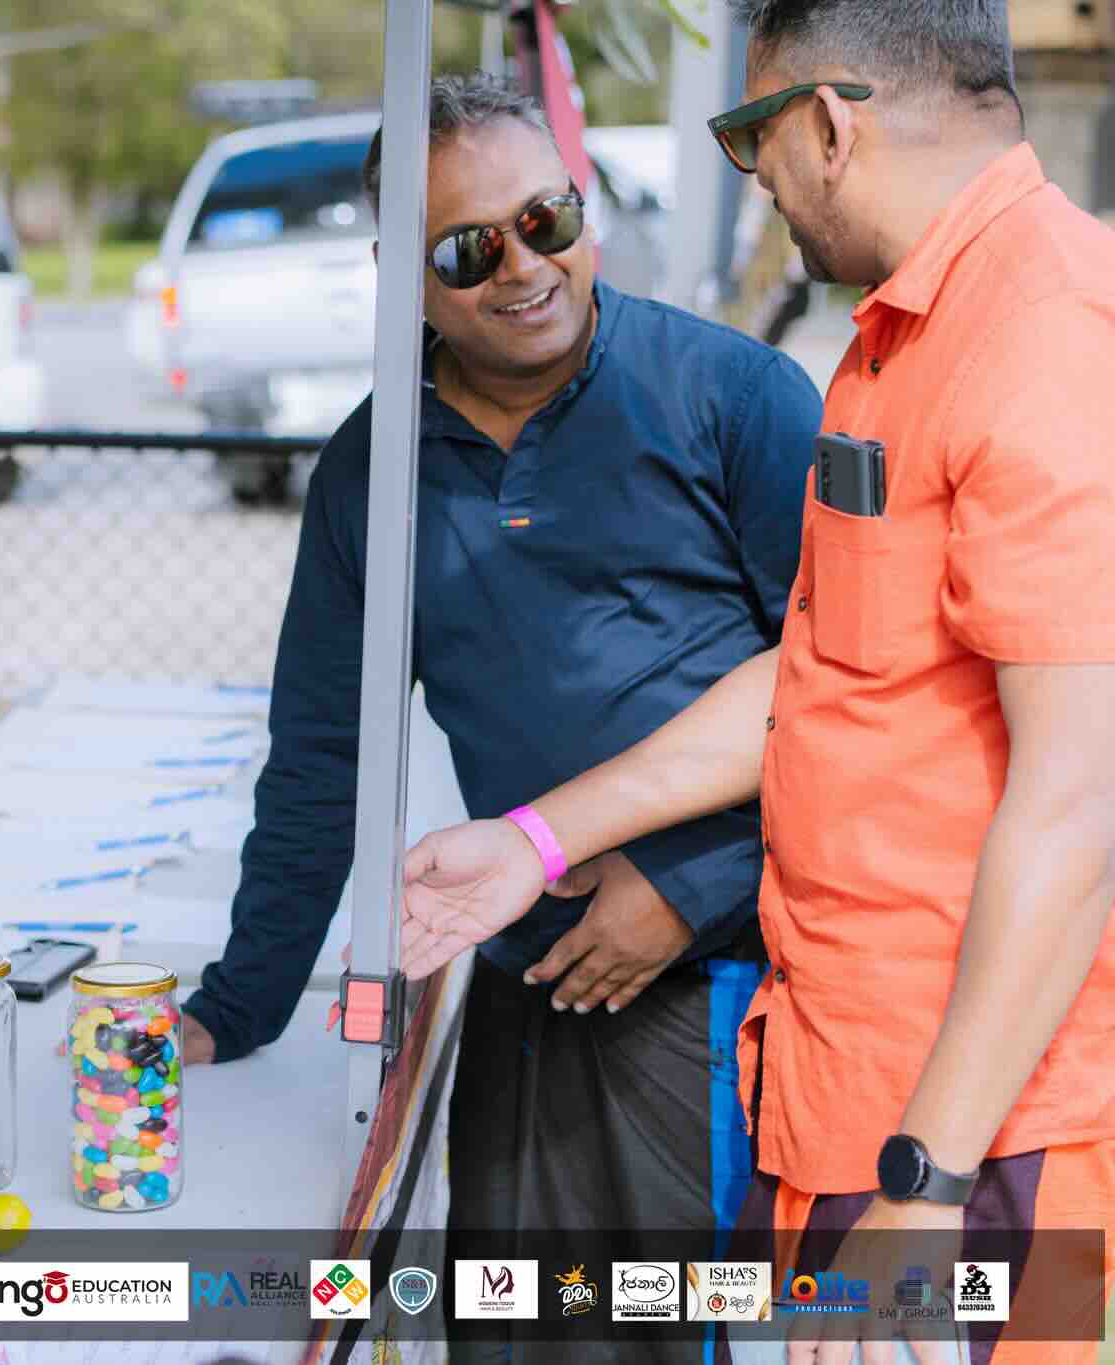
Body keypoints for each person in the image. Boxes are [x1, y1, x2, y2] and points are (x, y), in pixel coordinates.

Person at [400, 4, 1115, 1360]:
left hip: (977, 1143)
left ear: (831, 124)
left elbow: (1081, 800)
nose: (754, 178)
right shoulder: (906, 330)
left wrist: (930, 1179)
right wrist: (537, 838)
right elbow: (819, 673)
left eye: (751, 133)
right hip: (849, 1090)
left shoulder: (1050, 330)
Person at [176, 72, 824, 1362]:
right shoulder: (376, 461)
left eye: (546, 219)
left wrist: (685, 886)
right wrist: (234, 1007)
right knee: (503, 1331)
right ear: (398, 275)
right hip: (520, 964)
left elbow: (847, 696)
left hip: (715, 980)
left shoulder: (732, 397)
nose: (521, 267)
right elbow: (323, 754)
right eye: (466, 250)